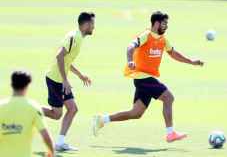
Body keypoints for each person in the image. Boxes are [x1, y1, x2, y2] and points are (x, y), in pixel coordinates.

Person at [93, 11, 204, 142]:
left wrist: (191, 62)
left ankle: (102, 120)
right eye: (164, 23)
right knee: (168, 97)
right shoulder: (146, 35)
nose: (166, 26)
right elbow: (130, 46)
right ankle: (170, 133)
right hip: (142, 77)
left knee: (136, 113)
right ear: (156, 23)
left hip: (146, 79)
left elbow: (174, 54)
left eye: (167, 24)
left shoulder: (163, 40)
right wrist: (130, 60)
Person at [42, 12, 94, 151]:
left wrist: (80, 75)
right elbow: (59, 56)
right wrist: (65, 80)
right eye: (92, 24)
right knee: (57, 114)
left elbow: (66, 61)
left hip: (59, 80)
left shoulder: (78, 37)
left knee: (72, 109)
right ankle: (31, 110)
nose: (93, 27)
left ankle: (60, 143)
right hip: (55, 80)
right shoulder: (74, 37)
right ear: (86, 24)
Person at [0, 70, 54, 157]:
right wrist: (52, 152)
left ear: (11, 84)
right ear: (27, 86)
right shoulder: (33, 107)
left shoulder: (1, 106)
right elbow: (46, 136)